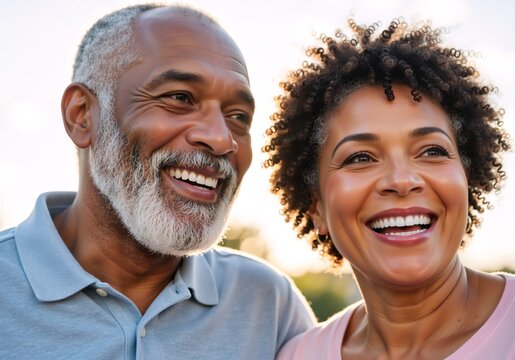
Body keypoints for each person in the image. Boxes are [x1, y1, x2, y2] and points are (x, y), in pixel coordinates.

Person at [0, 4, 315, 359]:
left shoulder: (267, 304)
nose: (222, 139)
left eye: (239, 117)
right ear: (82, 116)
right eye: (179, 98)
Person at [264, 18, 515, 359]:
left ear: (467, 180)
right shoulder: (299, 355)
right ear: (316, 207)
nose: (401, 180)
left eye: (432, 151)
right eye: (360, 158)